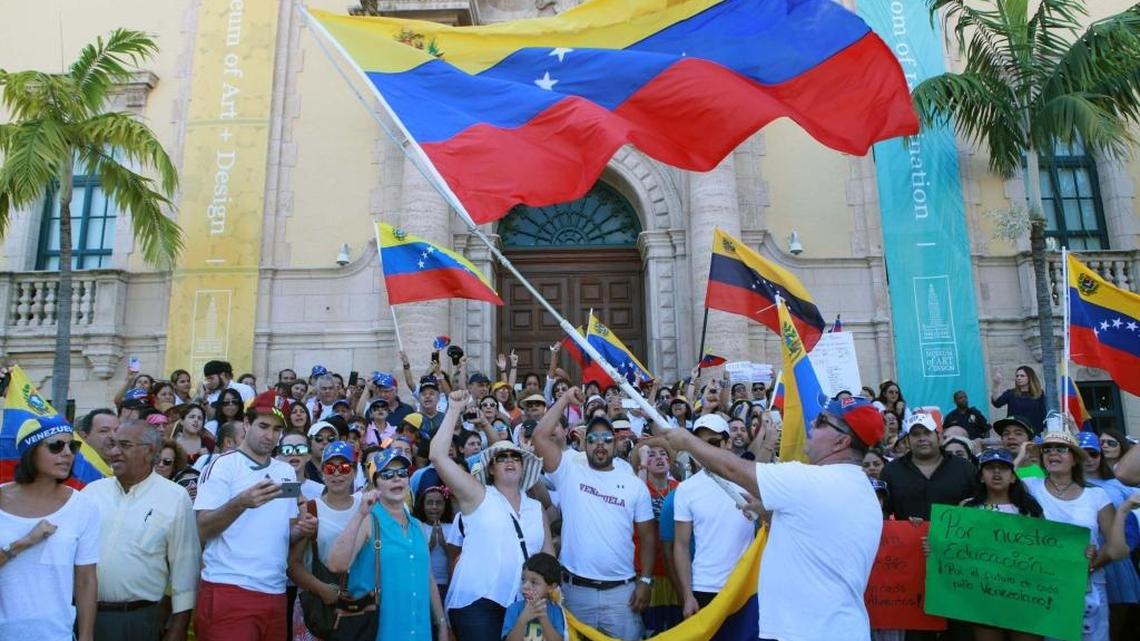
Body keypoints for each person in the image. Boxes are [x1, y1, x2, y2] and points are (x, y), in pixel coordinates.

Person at [649, 396, 885, 641]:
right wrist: (772, 515)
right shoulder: (861, 489)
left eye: (824, 421)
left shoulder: (810, 480)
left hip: (807, 632)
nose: (813, 422)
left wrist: (688, 441)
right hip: (836, 629)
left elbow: (732, 469)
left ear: (841, 441)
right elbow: (816, 534)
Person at [533, 388, 655, 641]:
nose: (600, 444)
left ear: (614, 441)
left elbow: (648, 537)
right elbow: (540, 436)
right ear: (583, 442)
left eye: (606, 439)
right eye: (593, 438)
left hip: (622, 594)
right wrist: (564, 399)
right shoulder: (569, 469)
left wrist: (646, 580)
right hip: (576, 592)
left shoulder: (633, 484)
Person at [430, 389, 551, 641]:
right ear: (491, 468)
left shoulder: (535, 508)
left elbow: (548, 557)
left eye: (515, 457)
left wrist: (548, 595)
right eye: (501, 457)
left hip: (523, 603)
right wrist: (453, 409)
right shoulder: (477, 494)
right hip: (477, 602)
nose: (509, 461)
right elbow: (438, 456)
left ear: (523, 465)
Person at [193, 403, 317, 641]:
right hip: (229, 589)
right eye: (263, 426)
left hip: (275, 593)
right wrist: (240, 503)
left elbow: (287, 531)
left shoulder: (286, 472)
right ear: (247, 424)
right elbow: (202, 529)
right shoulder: (222, 464)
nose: (270, 435)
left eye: (277, 429)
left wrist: (301, 529)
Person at [83, 418, 200, 641]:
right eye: (113, 445)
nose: (115, 452)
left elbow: (185, 567)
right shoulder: (91, 493)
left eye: (125, 445)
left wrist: (178, 627)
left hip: (140, 620)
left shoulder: (174, 497)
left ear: (149, 451)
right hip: (86, 617)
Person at [327, 449, 448, 641]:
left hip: (420, 632)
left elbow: (428, 577)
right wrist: (359, 514)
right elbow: (336, 564)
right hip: (378, 632)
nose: (396, 479)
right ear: (375, 483)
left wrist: (441, 623)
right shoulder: (368, 520)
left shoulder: (416, 525)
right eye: (387, 475)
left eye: (402, 473)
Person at [1022, 432, 1134, 641]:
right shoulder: (1029, 486)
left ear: (1074, 458)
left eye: (1061, 449)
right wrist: (1021, 456)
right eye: (1047, 449)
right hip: (1044, 585)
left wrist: (1089, 566)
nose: (1053, 453)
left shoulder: (1097, 495)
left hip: (1088, 585)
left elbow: (1114, 545)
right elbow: (997, 488)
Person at [0, 415, 100, 641]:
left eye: (72, 446)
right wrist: (22, 543)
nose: (67, 453)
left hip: (57, 634)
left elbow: (86, 580)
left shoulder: (84, 507)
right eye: (56, 446)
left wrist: (86, 637)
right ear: (31, 451)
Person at [672, 414, 755, 618]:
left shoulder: (751, 480)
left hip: (746, 587)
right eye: (698, 444)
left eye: (714, 442)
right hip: (705, 587)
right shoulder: (686, 489)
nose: (705, 450)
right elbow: (680, 545)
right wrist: (687, 595)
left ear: (728, 443)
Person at [956, 448, 1043, 641]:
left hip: (1025, 595)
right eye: (990, 468)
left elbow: (1046, 550)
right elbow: (954, 549)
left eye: (1003, 468)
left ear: (1013, 477)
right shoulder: (968, 508)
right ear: (980, 477)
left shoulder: (1029, 510)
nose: (996, 473)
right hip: (983, 595)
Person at [286, 441, 362, 641]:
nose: (337, 473)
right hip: (317, 605)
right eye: (330, 468)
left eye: (344, 467)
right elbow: (293, 565)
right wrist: (323, 590)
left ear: (353, 471)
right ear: (322, 472)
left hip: (357, 603)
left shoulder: (365, 507)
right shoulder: (310, 509)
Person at [1078, 432, 1140, 641]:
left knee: (1115, 623)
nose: (1088, 459)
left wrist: (1123, 547)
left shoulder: (1118, 485)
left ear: (1101, 456)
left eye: (1093, 454)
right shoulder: (1063, 485)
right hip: (1081, 562)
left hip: (1115, 560)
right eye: (1082, 454)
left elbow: (1132, 522)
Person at [880, 413, 976, 520]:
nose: (922, 438)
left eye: (927, 432)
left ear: (939, 437)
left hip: (955, 535)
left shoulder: (964, 468)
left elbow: (980, 505)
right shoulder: (891, 471)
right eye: (915, 434)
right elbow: (883, 512)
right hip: (908, 536)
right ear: (907, 441)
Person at [502, 553, 569, 641]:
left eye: (534, 582)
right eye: (523, 579)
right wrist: (523, 619)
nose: (525, 586)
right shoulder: (513, 609)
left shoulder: (556, 611)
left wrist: (543, 617)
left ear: (551, 587)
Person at [413, 484, 456, 600]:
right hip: (424, 584)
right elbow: (414, 559)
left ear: (445, 505)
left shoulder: (452, 527)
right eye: (429, 503)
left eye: (438, 503)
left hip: (448, 583)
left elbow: (456, 558)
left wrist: (445, 546)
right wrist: (430, 546)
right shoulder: (417, 527)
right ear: (423, 505)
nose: (434, 507)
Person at [991, 365, 1046, 433]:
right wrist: (996, 385)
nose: (1019, 378)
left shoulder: (1039, 394)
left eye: (1022, 376)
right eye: (1017, 376)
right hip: (1015, 431)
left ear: (1030, 378)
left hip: (1033, 432)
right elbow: (997, 403)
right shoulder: (1011, 393)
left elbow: (1044, 413)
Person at [278, 432, 324, 500]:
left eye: (301, 449)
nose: (294, 453)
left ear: (309, 456)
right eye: (287, 449)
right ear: (279, 456)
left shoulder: (321, 491)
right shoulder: (269, 490)